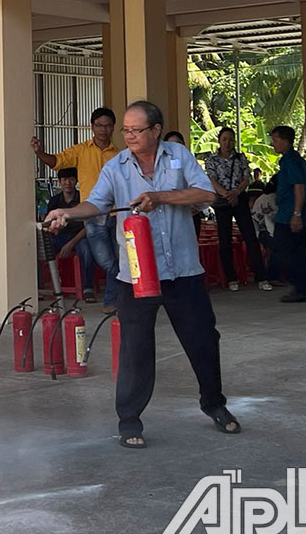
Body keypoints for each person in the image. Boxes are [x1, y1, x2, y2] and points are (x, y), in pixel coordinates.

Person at [43, 100, 237, 449]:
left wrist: (161, 197)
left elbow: (206, 192)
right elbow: (96, 203)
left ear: (156, 130)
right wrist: (68, 214)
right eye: (126, 131)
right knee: (135, 348)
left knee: (203, 341)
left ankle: (214, 404)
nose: (129, 136)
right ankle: (129, 420)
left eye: (136, 130)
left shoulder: (178, 156)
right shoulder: (116, 167)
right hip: (134, 276)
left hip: (183, 271)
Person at [33, 108, 121, 311]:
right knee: (108, 262)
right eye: (99, 125)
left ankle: (111, 301)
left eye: (107, 125)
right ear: (92, 127)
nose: (103, 129)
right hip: (91, 214)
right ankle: (122, 293)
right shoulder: (81, 150)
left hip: (116, 214)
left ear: (113, 128)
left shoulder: (119, 155)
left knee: (119, 258)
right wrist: (39, 153)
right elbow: (57, 162)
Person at [204, 126, 267, 291]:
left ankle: (261, 277)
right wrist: (225, 194)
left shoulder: (240, 158)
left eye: (231, 139)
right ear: (219, 140)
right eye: (224, 139)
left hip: (239, 199)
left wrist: (236, 193)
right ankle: (231, 278)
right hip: (222, 201)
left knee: (250, 237)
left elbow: (246, 178)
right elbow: (211, 179)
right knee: (225, 240)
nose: (228, 143)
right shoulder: (212, 160)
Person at [269, 126, 306, 303]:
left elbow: (299, 187)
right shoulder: (291, 160)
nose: (273, 144)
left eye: (275, 140)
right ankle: (301, 286)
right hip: (288, 211)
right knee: (294, 251)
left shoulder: (291, 161)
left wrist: (296, 213)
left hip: (289, 213)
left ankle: (301, 286)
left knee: (285, 250)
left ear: (285, 141)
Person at [44, 167, 96, 302]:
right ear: (60, 182)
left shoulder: (83, 199)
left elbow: (87, 227)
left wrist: (70, 244)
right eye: (64, 179)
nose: (68, 183)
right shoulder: (55, 201)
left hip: (79, 237)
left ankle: (87, 288)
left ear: (76, 181)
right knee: (40, 248)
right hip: (60, 237)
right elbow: (50, 225)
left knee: (86, 250)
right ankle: (44, 287)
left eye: (71, 179)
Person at [164, 132, 203, 238]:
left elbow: (202, 187)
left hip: (191, 213)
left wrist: (197, 206)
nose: (174, 148)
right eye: (170, 144)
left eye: (178, 144)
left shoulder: (191, 163)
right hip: (171, 216)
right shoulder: (160, 166)